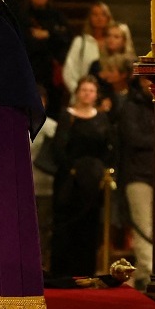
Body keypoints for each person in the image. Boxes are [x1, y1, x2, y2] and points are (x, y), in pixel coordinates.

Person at [49, 75, 115, 278]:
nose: (87, 94)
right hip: (69, 181)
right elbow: (58, 149)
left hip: (92, 183)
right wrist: (74, 169)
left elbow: (108, 149)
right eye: (84, 90)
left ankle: (86, 271)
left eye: (91, 91)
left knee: (90, 225)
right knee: (66, 226)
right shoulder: (66, 116)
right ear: (77, 92)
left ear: (96, 95)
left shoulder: (102, 118)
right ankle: (61, 272)